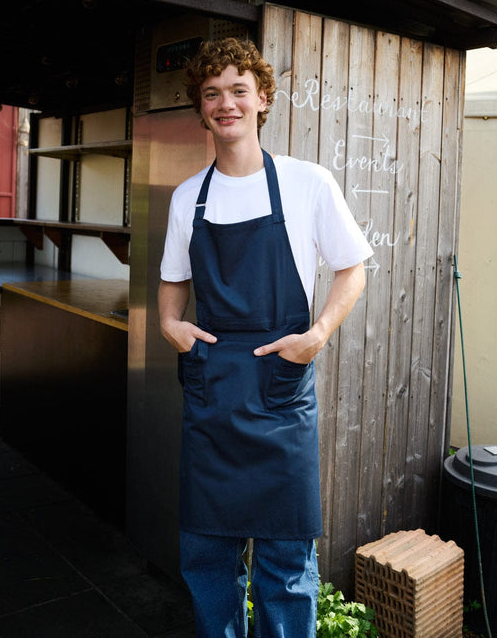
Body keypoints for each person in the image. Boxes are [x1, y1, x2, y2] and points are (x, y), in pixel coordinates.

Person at [158, 37, 373, 638]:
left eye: (237, 91)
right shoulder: (186, 198)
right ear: (201, 108)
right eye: (211, 94)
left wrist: (317, 334)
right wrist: (172, 327)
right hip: (212, 392)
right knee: (206, 560)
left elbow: (352, 268)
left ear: (262, 99)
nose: (225, 104)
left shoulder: (308, 184)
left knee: (286, 568)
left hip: (281, 391)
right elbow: (171, 287)